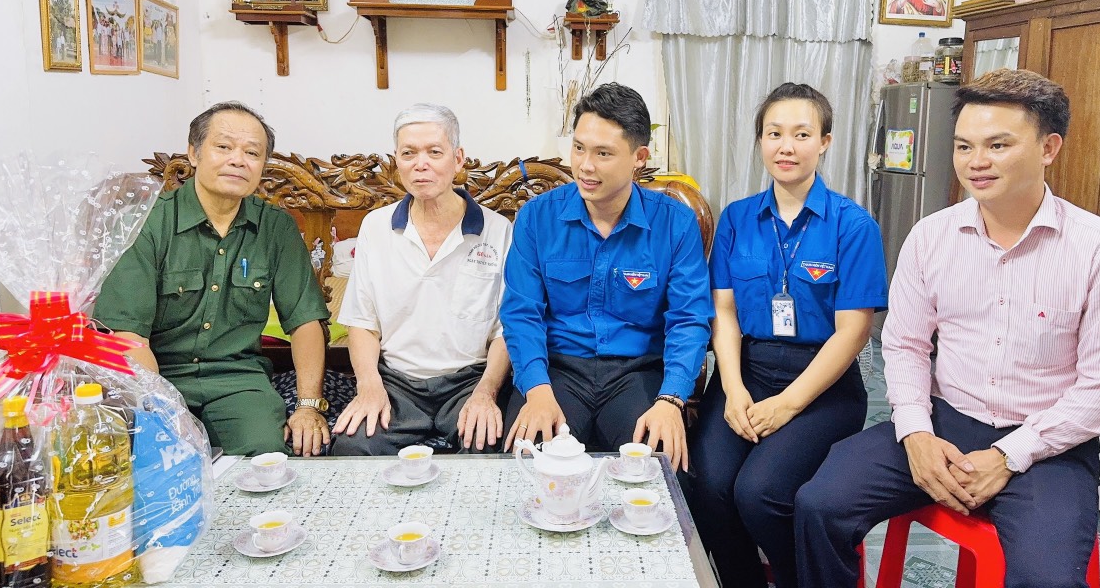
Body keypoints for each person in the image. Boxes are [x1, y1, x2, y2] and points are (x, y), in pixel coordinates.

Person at [795, 69, 1100, 587]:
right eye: (963, 146)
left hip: (1048, 446)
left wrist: (1009, 455)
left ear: (1049, 148)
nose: (975, 162)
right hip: (944, 421)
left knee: (1047, 578)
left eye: (998, 145)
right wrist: (915, 431)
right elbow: (906, 344)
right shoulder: (931, 236)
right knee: (818, 505)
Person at [688, 83, 887, 588]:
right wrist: (732, 389)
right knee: (707, 485)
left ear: (825, 141)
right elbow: (725, 313)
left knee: (761, 492)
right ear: (759, 141)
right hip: (749, 369)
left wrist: (790, 404)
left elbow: (853, 331)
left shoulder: (852, 225)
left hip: (823, 383)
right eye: (774, 133)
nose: (786, 146)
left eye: (801, 134)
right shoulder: (736, 218)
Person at [94, 102, 333, 457]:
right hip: (158, 376)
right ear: (193, 152)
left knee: (266, 455)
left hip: (238, 380)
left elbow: (304, 320)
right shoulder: (146, 224)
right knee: (157, 461)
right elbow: (127, 335)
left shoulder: (276, 227)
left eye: (252, 153)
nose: (238, 160)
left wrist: (309, 404)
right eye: (223, 147)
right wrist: (162, 410)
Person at [499, 83, 713, 470]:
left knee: (662, 469)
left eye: (603, 153)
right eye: (579, 148)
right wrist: (536, 388)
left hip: (638, 372)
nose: (585, 165)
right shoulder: (537, 217)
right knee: (526, 466)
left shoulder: (674, 222)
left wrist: (671, 399)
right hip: (558, 369)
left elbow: (689, 319)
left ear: (639, 158)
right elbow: (521, 312)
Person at [330, 104, 513, 455]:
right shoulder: (375, 226)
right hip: (397, 383)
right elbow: (362, 323)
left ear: (458, 159)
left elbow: (506, 331)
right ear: (396, 161)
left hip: (469, 380)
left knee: (490, 449)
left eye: (434, 152)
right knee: (351, 449)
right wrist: (369, 386)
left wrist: (486, 392)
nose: (421, 164)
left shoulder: (497, 230)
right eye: (408, 153)